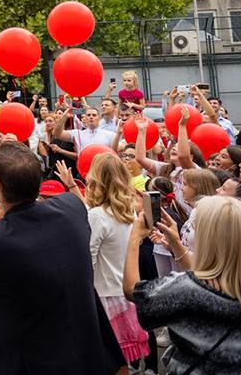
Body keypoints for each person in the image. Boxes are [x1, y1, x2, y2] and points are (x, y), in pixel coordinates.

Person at [0, 142, 123, 375]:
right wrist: (9, 206)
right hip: (81, 355)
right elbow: (47, 211)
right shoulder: (71, 208)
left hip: (27, 363)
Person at [126, 195, 241, 374]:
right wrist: (176, 244)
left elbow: (133, 291)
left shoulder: (186, 290)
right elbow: (200, 279)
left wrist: (134, 239)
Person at [68, 153, 151, 367]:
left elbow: (89, 260)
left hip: (103, 296)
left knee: (106, 360)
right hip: (124, 291)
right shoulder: (128, 211)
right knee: (122, 360)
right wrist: (72, 188)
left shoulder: (97, 215)